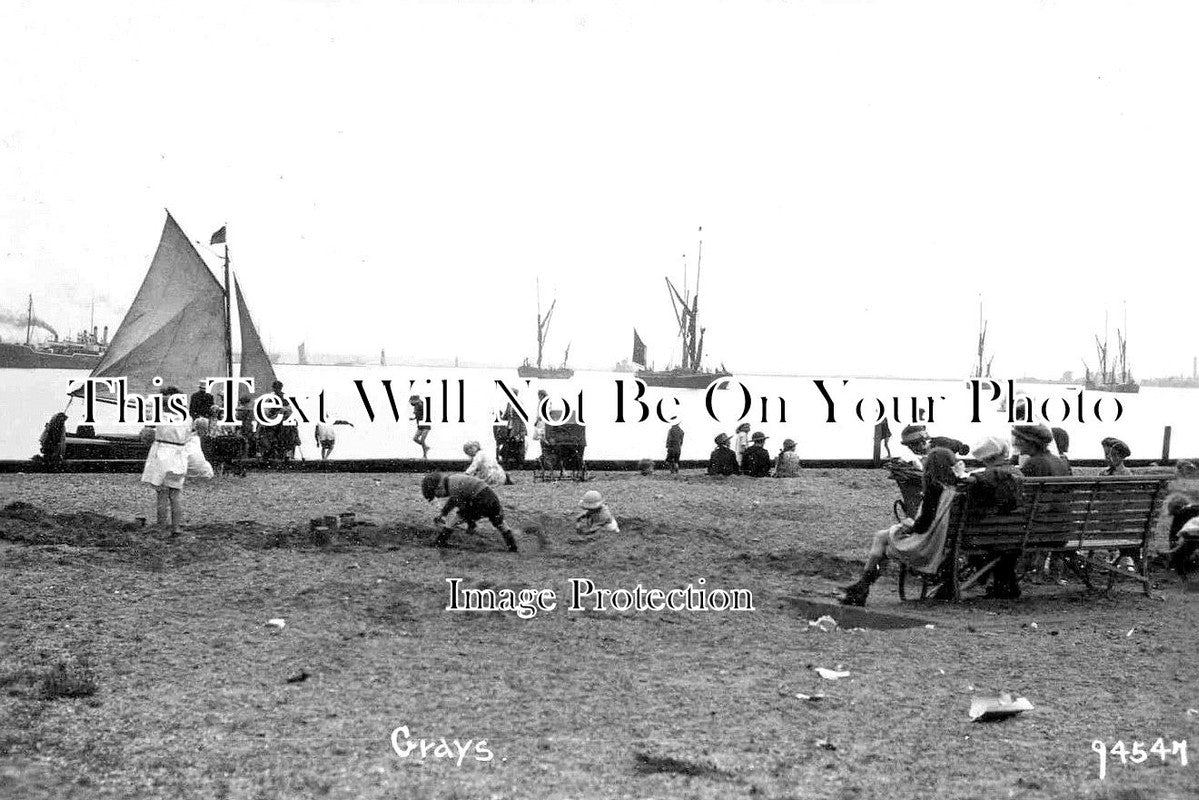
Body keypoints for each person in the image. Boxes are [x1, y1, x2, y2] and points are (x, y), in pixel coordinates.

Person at [840, 448, 962, 606]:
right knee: (883, 537)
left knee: (881, 538)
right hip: (942, 541)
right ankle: (861, 587)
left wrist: (909, 524)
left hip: (927, 547)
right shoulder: (955, 488)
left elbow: (922, 526)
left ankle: (862, 587)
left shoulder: (935, 488)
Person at [140, 386, 212, 536]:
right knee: (175, 495)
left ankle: (161, 528)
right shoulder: (186, 417)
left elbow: (147, 433)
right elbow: (190, 437)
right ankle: (176, 528)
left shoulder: (158, 415)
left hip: (161, 455)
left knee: (161, 494)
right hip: (178, 455)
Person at [421, 472, 518, 551]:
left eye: (437, 495)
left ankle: (440, 541)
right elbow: (454, 502)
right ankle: (512, 546)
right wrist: (443, 514)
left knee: (454, 520)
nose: (440, 497)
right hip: (491, 497)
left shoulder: (452, 487)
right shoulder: (453, 479)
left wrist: (470, 523)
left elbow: (457, 504)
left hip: (480, 499)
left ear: (439, 487)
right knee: (499, 522)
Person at [410, 394, 431, 459]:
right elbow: (418, 414)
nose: (411, 403)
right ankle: (426, 447)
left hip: (426, 425)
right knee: (415, 438)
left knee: (422, 440)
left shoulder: (420, 405)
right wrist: (413, 418)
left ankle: (425, 455)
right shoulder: (416, 406)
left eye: (412, 401)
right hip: (420, 425)